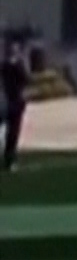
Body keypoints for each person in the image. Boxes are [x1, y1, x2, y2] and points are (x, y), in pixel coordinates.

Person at [1, 39, 28, 172]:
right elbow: (26, 80)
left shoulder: (4, 66)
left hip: (10, 101)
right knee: (13, 133)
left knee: (11, 133)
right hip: (13, 102)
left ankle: (9, 159)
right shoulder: (17, 66)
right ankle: (10, 160)